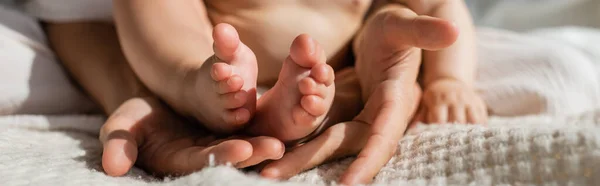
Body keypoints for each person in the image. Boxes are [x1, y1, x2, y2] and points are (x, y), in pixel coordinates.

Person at [44, 0, 486, 184]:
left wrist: (449, 79)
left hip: (331, 69)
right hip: (206, 45)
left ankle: (291, 108)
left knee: (317, 83)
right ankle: (195, 84)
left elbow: (438, 9)